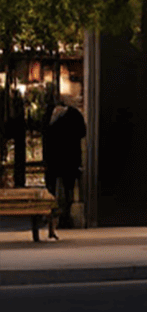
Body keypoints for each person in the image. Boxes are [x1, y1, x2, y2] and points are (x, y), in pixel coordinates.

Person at [42, 94, 86, 229]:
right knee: (68, 189)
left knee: (52, 189)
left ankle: (51, 215)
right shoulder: (75, 115)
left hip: (53, 158)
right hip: (70, 159)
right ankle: (66, 215)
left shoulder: (49, 114)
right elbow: (82, 132)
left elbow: (44, 132)